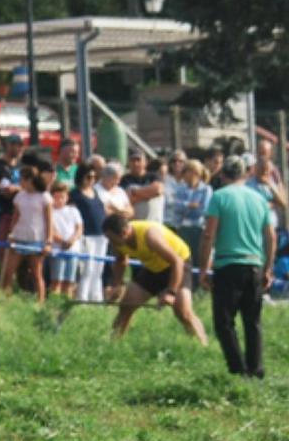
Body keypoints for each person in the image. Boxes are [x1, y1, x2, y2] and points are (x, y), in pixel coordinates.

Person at [197, 157, 275, 378]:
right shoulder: (259, 199)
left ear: (222, 175)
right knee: (253, 321)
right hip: (254, 264)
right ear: (246, 174)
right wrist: (268, 268)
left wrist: (204, 269)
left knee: (223, 322)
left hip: (228, 265)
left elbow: (209, 234)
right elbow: (270, 236)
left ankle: (237, 369)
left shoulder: (219, 197)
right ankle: (256, 370)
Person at [102, 213, 208, 344]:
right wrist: (116, 286)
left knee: (183, 312)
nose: (110, 243)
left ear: (124, 233)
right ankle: (113, 345)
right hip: (153, 268)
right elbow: (121, 260)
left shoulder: (150, 235)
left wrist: (171, 293)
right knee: (126, 305)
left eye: (112, 239)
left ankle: (201, 346)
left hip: (177, 265)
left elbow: (177, 262)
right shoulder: (118, 241)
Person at [0, 166, 52, 303]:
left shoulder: (44, 197)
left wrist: (48, 241)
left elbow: (49, 220)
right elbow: (15, 216)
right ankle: (5, 301)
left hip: (36, 239)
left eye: (21, 179)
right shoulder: (19, 196)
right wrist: (11, 233)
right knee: (8, 272)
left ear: (30, 180)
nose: (19, 182)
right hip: (19, 237)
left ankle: (40, 303)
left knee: (36, 273)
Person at [70, 163, 106, 303]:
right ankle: (83, 298)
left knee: (98, 269)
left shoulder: (95, 192)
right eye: (88, 177)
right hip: (86, 236)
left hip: (101, 235)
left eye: (94, 177)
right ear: (81, 177)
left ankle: (96, 298)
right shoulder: (75, 194)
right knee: (87, 269)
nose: (91, 180)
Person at [171, 160, 213, 257]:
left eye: (186, 171)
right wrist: (189, 205)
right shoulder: (180, 189)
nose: (184, 174)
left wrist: (184, 207)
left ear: (194, 172)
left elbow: (203, 211)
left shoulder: (206, 189)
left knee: (198, 257)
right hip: (182, 228)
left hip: (199, 229)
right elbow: (176, 208)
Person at [49, 182, 82, 299]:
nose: (59, 200)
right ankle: (54, 304)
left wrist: (72, 240)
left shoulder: (73, 210)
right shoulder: (50, 211)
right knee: (57, 280)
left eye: (62, 197)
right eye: (55, 197)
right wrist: (62, 241)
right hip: (57, 250)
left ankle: (66, 304)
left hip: (73, 250)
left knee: (70, 281)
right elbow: (51, 230)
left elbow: (79, 228)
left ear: (67, 197)